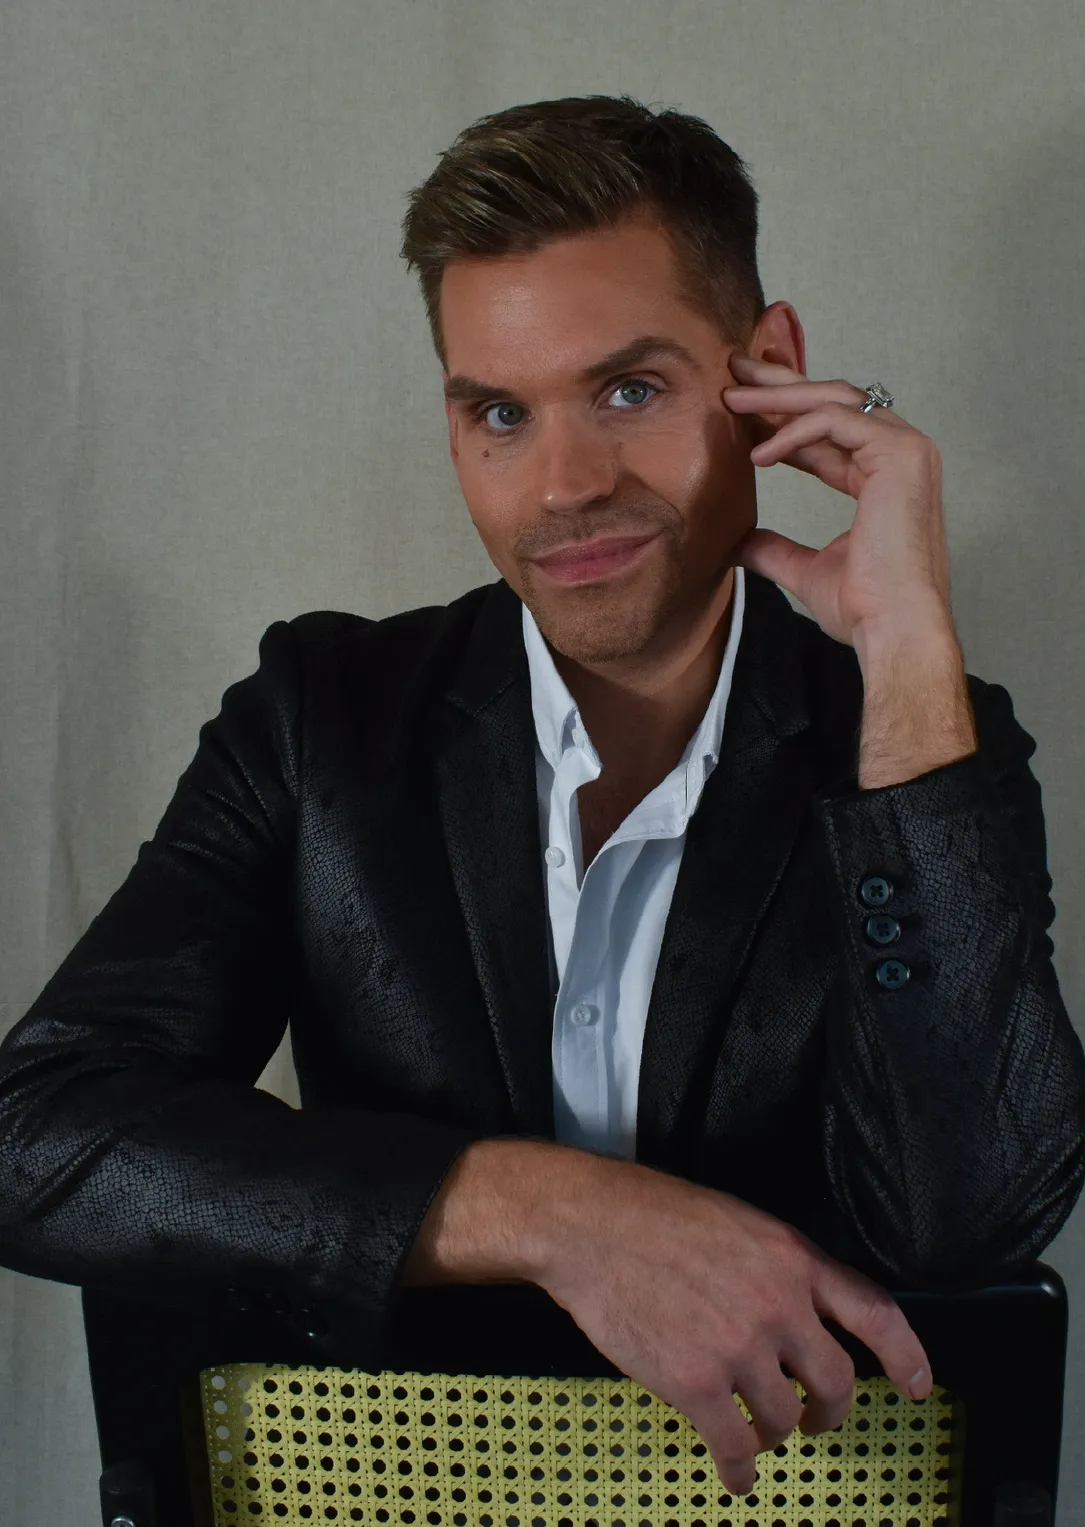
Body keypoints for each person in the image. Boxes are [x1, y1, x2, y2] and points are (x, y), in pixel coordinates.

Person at [0, 94, 1083, 1498]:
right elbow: (39, 1134)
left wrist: (912, 654)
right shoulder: (320, 722)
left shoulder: (917, 744)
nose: (561, 485)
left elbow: (971, 1227)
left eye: (626, 389)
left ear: (768, 370)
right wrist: (552, 1211)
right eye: (498, 412)